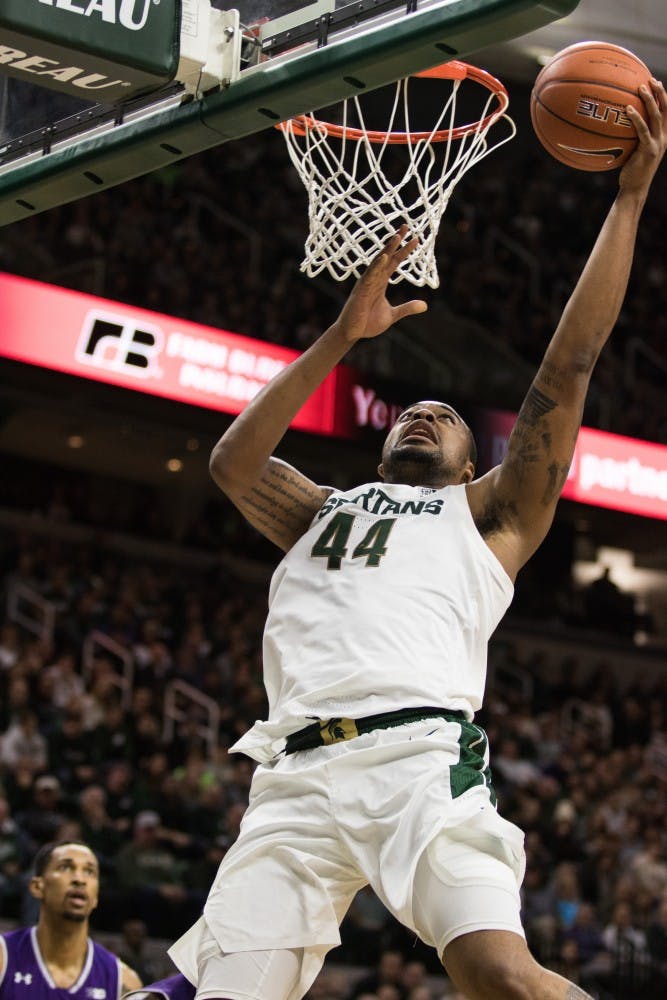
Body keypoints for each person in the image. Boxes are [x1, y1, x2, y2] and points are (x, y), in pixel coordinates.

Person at [129, 79, 667, 1000]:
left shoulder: (490, 514)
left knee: (497, 972)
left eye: (444, 414)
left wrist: (628, 197)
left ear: (470, 462)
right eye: (409, 411)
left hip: (419, 761)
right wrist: (343, 334)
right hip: (292, 781)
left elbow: (565, 370)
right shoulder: (319, 507)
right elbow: (230, 460)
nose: (422, 415)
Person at [0, 840, 141, 996]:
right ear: (37, 887)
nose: (79, 880)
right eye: (65, 867)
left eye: (89, 872)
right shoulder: (3, 957)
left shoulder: (124, 982)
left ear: (96, 897)